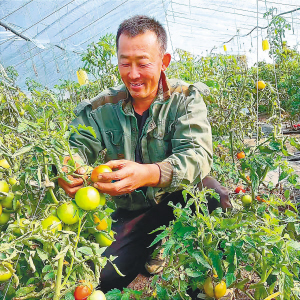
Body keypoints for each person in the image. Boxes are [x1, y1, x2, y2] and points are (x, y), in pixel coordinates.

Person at [58, 15, 231, 292]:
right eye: (125, 63)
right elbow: (73, 147)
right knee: (104, 278)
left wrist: (149, 173)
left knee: (213, 196)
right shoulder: (102, 108)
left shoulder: (184, 99)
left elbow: (198, 155)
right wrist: (69, 167)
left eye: (143, 62)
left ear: (164, 62)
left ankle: (203, 285)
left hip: (176, 197)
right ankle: (151, 245)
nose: (133, 73)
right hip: (131, 212)